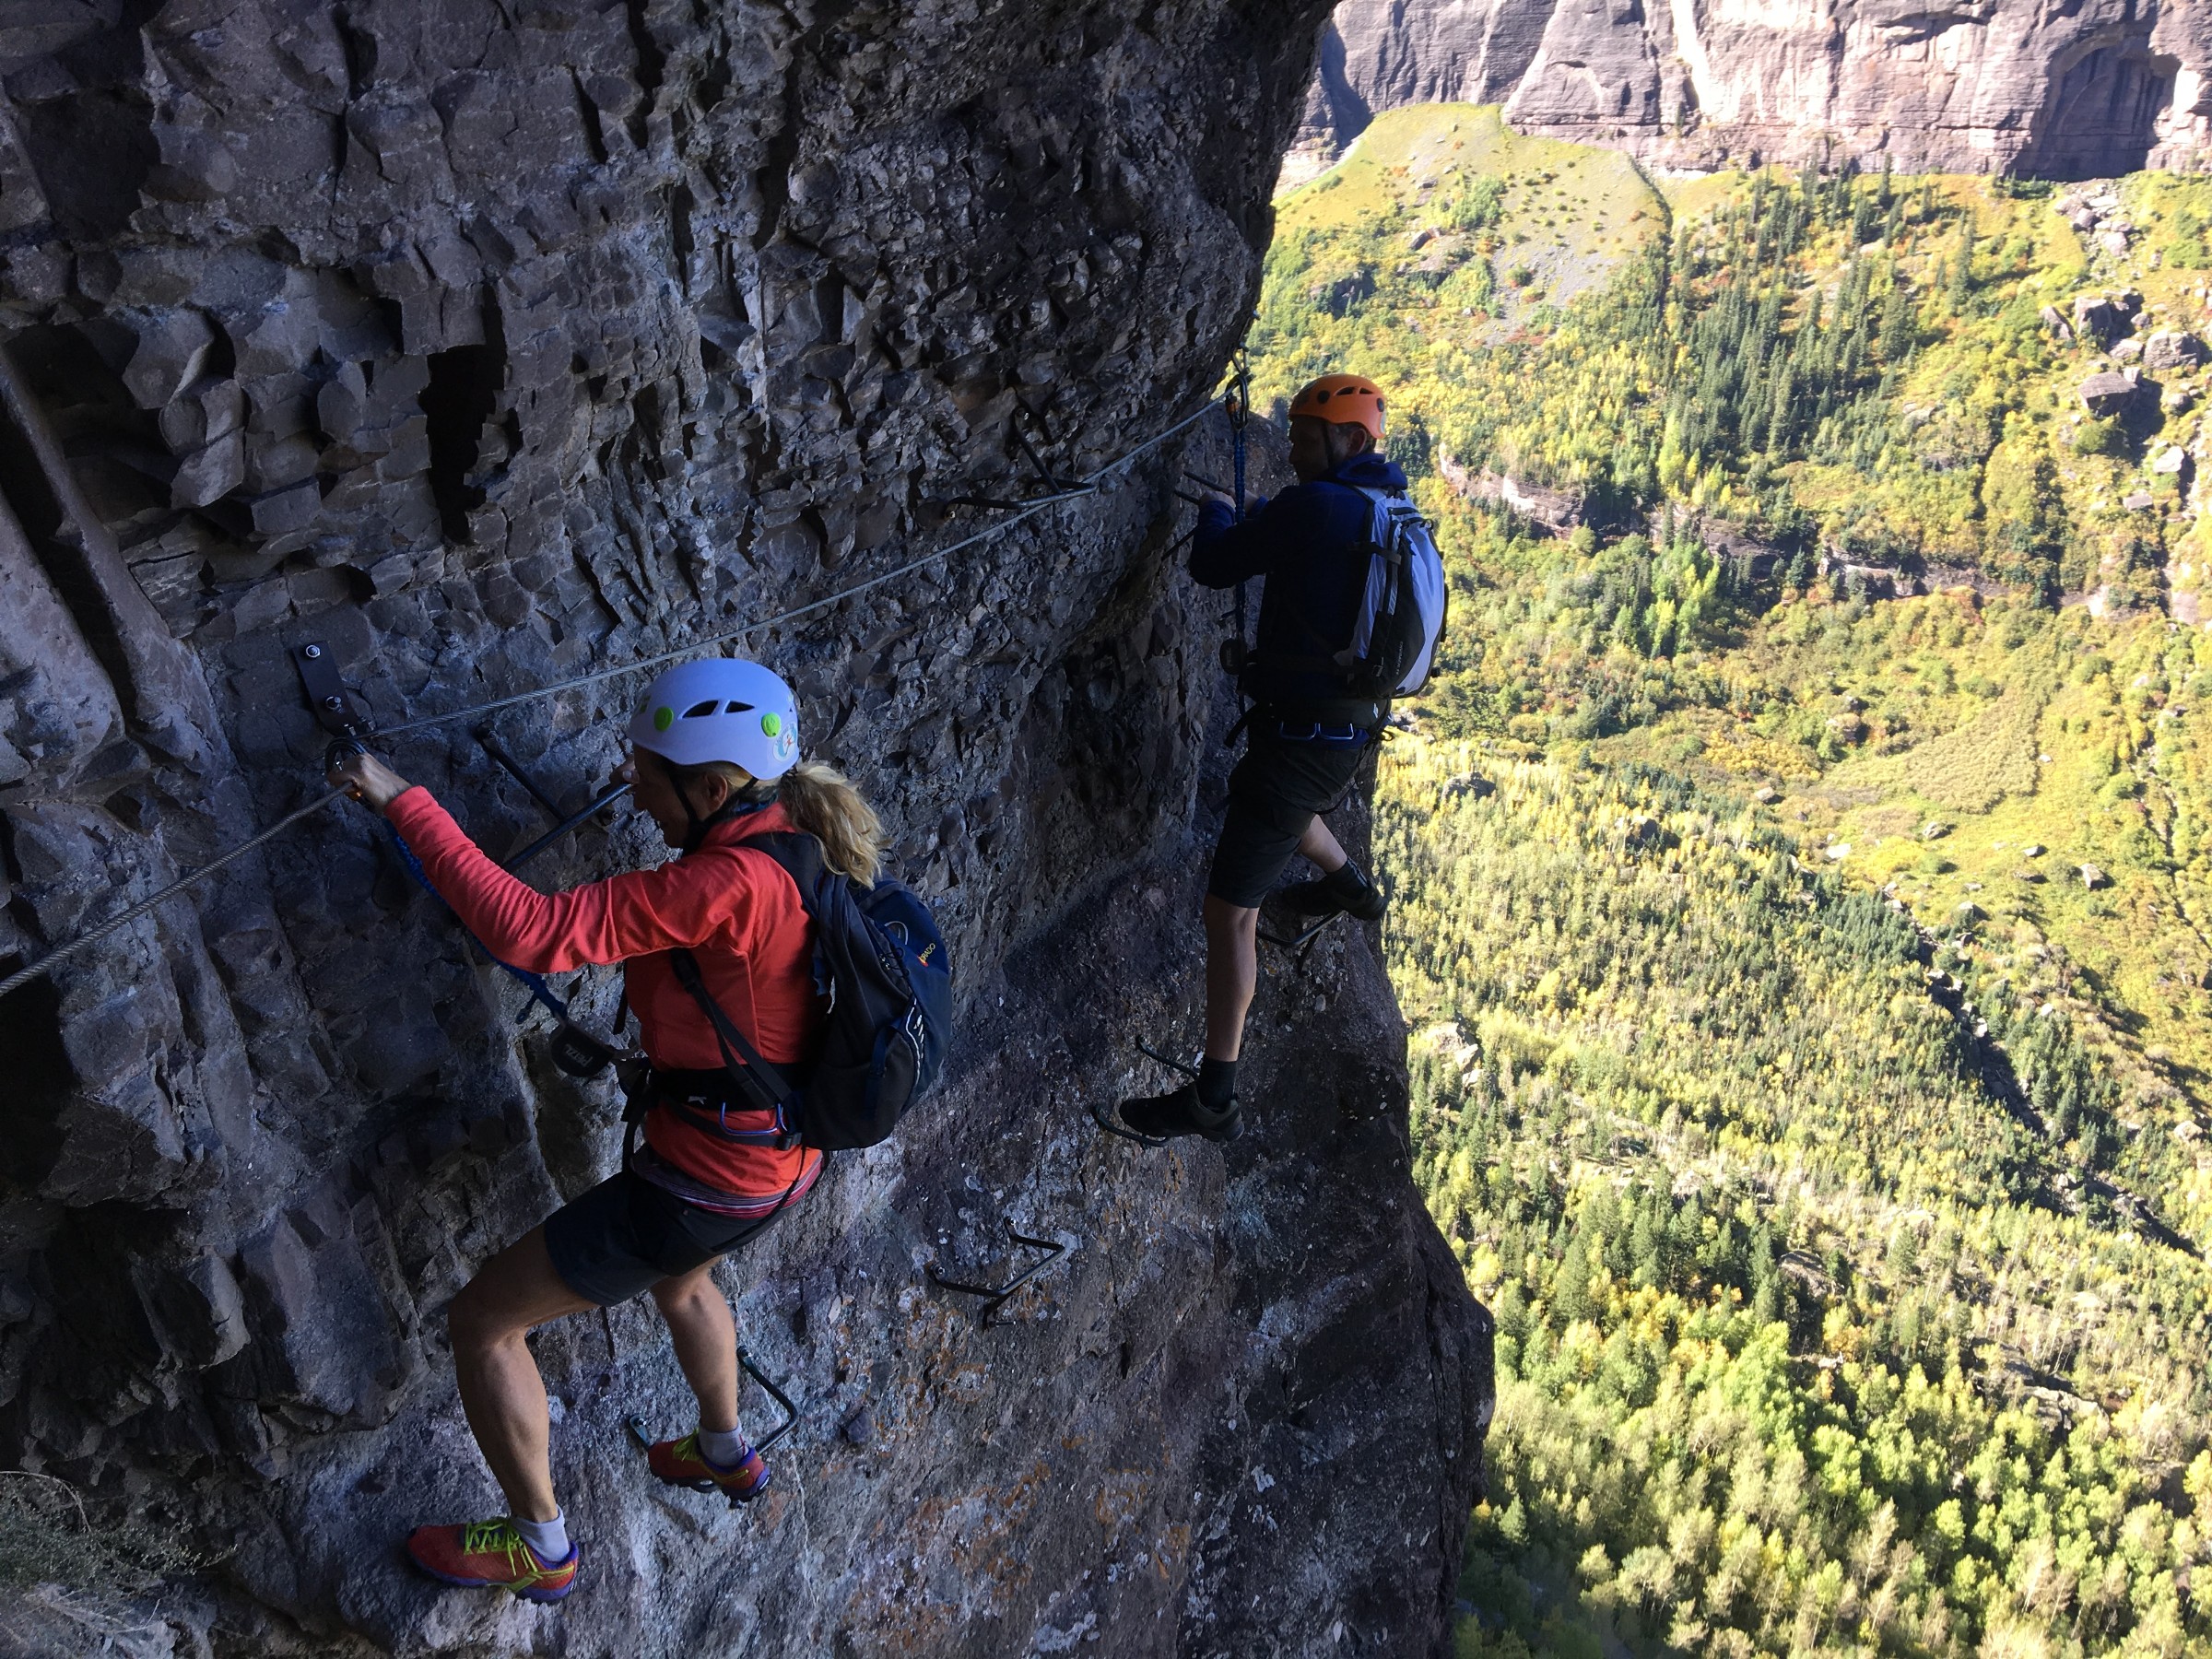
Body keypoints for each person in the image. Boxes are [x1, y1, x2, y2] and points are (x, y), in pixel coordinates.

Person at [325, 658, 885, 1603]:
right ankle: (724, 1450)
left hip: (702, 1181)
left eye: (648, 768)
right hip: (780, 1165)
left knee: (483, 1324)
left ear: (713, 788)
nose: (629, 779)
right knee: (686, 1280)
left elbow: (532, 930)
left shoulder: (721, 884)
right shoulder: (793, 837)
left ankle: (540, 1549)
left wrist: (398, 798)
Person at [1112, 373, 1403, 1144]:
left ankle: (1213, 1095)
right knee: (1275, 805)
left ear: (1349, 440)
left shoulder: (1316, 506)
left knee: (1229, 914)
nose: (1297, 449)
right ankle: (1352, 889)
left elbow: (1215, 564)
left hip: (1303, 739)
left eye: (1308, 438)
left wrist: (1216, 511)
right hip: (1341, 733)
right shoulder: (1381, 509)